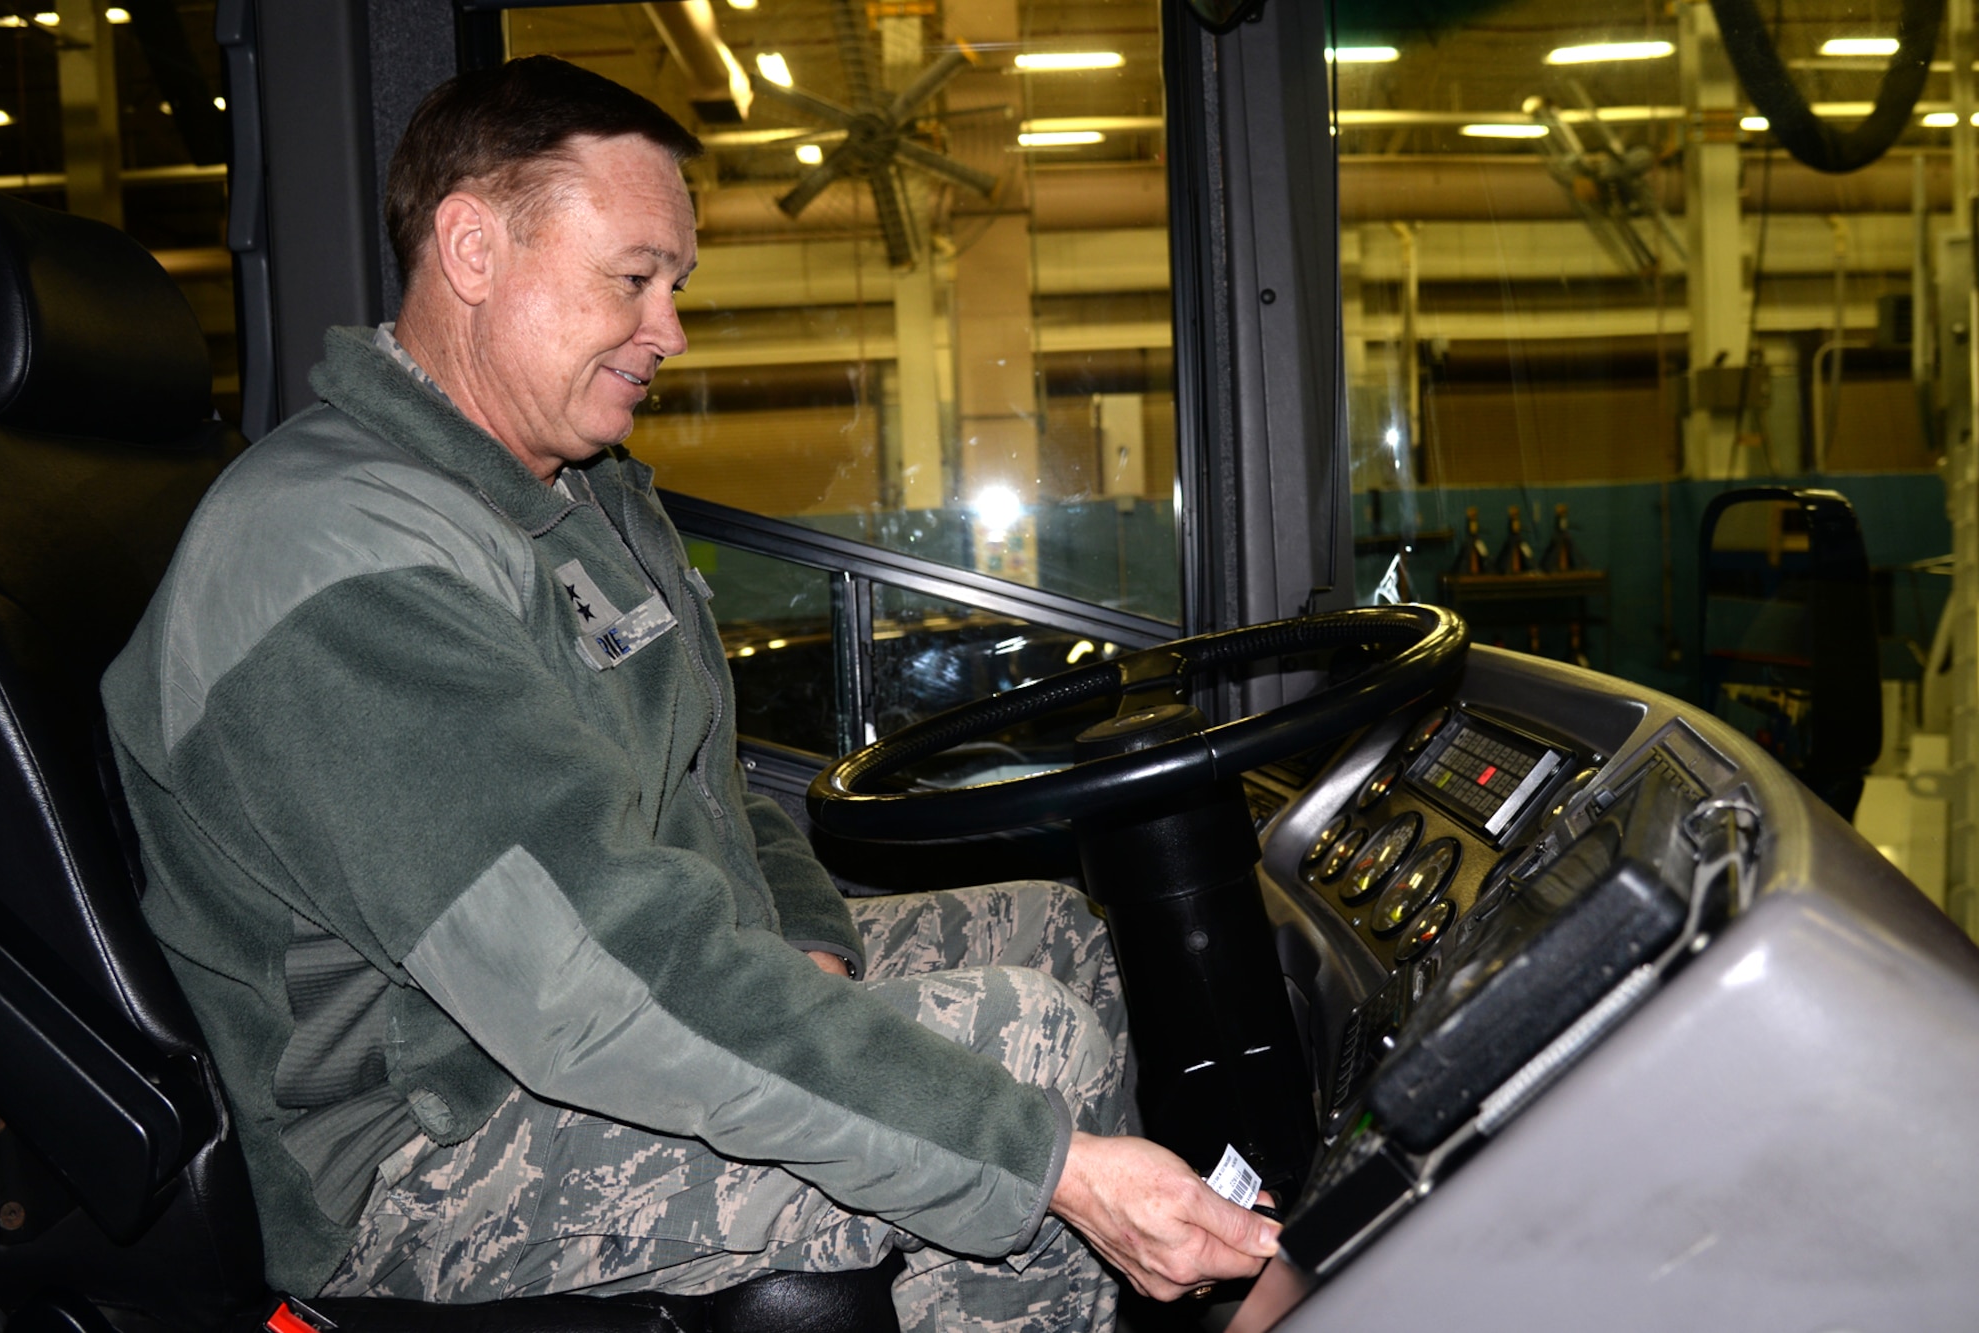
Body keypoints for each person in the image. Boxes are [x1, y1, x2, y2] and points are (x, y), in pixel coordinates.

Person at [101, 55, 1277, 1331]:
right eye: (633, 279)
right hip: (423, 1143)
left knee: (1051, 932)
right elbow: (590, 977)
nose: (668, 329)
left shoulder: (582, 498)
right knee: (1019, 1057)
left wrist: (807, 939)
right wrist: (1047, 1162)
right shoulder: (331, 554)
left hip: (566, 1007)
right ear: (472, 247)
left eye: (676, 285)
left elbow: (710, 784)